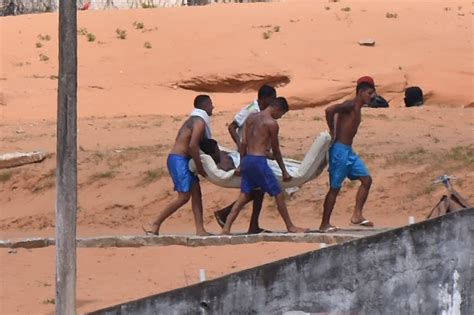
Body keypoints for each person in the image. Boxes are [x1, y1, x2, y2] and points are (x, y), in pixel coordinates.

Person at [221, 97, 308, 235]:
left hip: (248, 159)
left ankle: (226, 228)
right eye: (281, 114)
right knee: (278, 194)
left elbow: (243, 143)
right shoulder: (271, 123)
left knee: (244, 195)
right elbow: (276, 149)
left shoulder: (251, 117)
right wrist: (284, 171)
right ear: (278, 109)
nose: (280, 117)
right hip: (259, 161)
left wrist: (241, 164)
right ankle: (290, 226)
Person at [145, 95, 214, 236]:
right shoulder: (199, 122)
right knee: (184, 196)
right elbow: (193, 145)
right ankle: (154, 223)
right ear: (205, 105)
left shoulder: (194, 120)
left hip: (184, 160)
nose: (212, 107)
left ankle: (200, 230)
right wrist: (200, 167)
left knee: (196, 194)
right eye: (211, 104)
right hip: (179, 160)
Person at [214, 85, 277, 233]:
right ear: (265, 98)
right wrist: (241, 146)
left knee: (258, 190)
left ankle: (249, 223)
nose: (274, 102)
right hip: (250, 156)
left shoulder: (263, 112)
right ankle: (226, 215)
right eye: (273, 98)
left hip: (258, 154)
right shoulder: (251, 110)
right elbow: (232, 126)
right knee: (254, 190)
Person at [319, 76, 376, 232]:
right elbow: (329, 110)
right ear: (361, 92)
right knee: (335, 188)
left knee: (366, 180)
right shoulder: (350, 105)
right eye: (370, 93)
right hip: (339, 151)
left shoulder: (357, 107)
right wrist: (332, 130)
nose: (372, 97)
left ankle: (357, 215)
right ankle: (324, 224)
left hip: (348, 151)